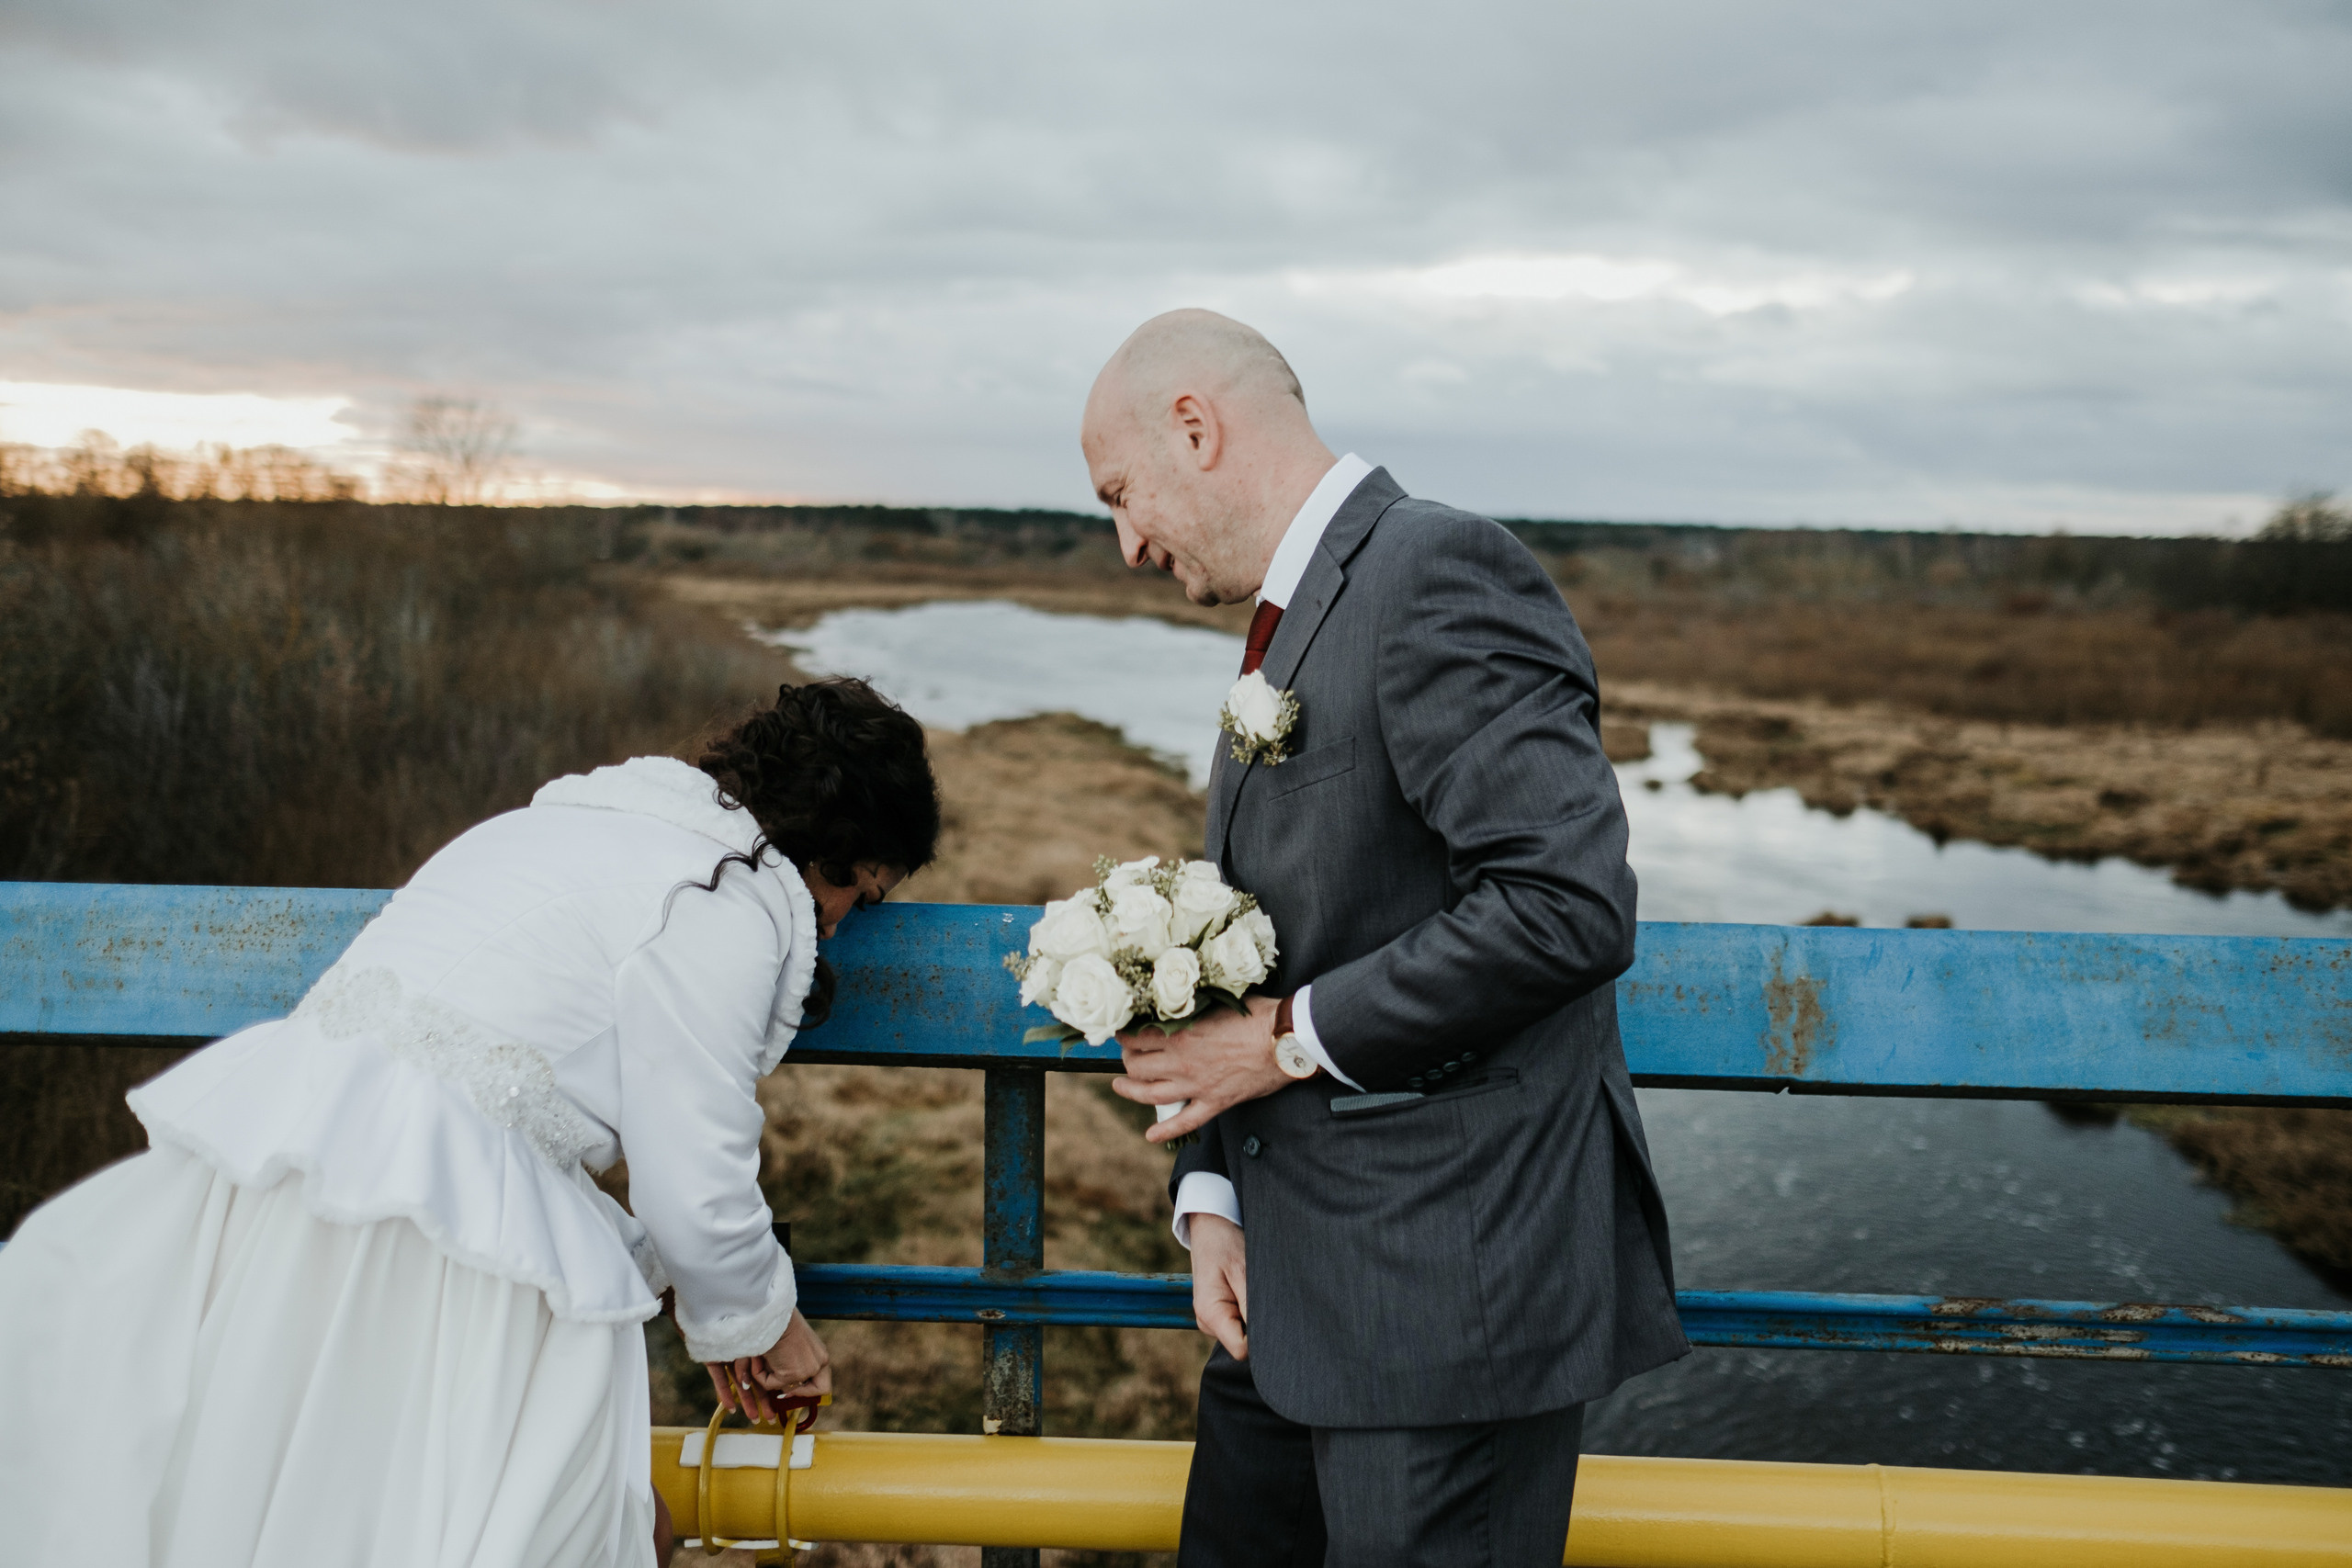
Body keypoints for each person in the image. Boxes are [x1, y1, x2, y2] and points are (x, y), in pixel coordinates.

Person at [0, 677, 941, 1568]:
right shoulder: (721, 898)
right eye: (862, 889)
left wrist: (722, 1321)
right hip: (444, 1237)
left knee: (280, 1494)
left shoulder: (548, 830)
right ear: (833, 845)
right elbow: (695, 1168)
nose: (844, 922)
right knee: (536, 1523)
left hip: (296, 1185)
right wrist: (767, 1328)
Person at [1083, 311, 1689, 1568]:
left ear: (1195, 427)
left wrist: (1286, 1045)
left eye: (1123, 492)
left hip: (1440, 1303)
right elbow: (1290, 925)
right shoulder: (1294, 615)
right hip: (1287, 1296)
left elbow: (1564, 901)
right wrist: (1212, 1195)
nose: (1126, 542)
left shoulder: (1436, 570)